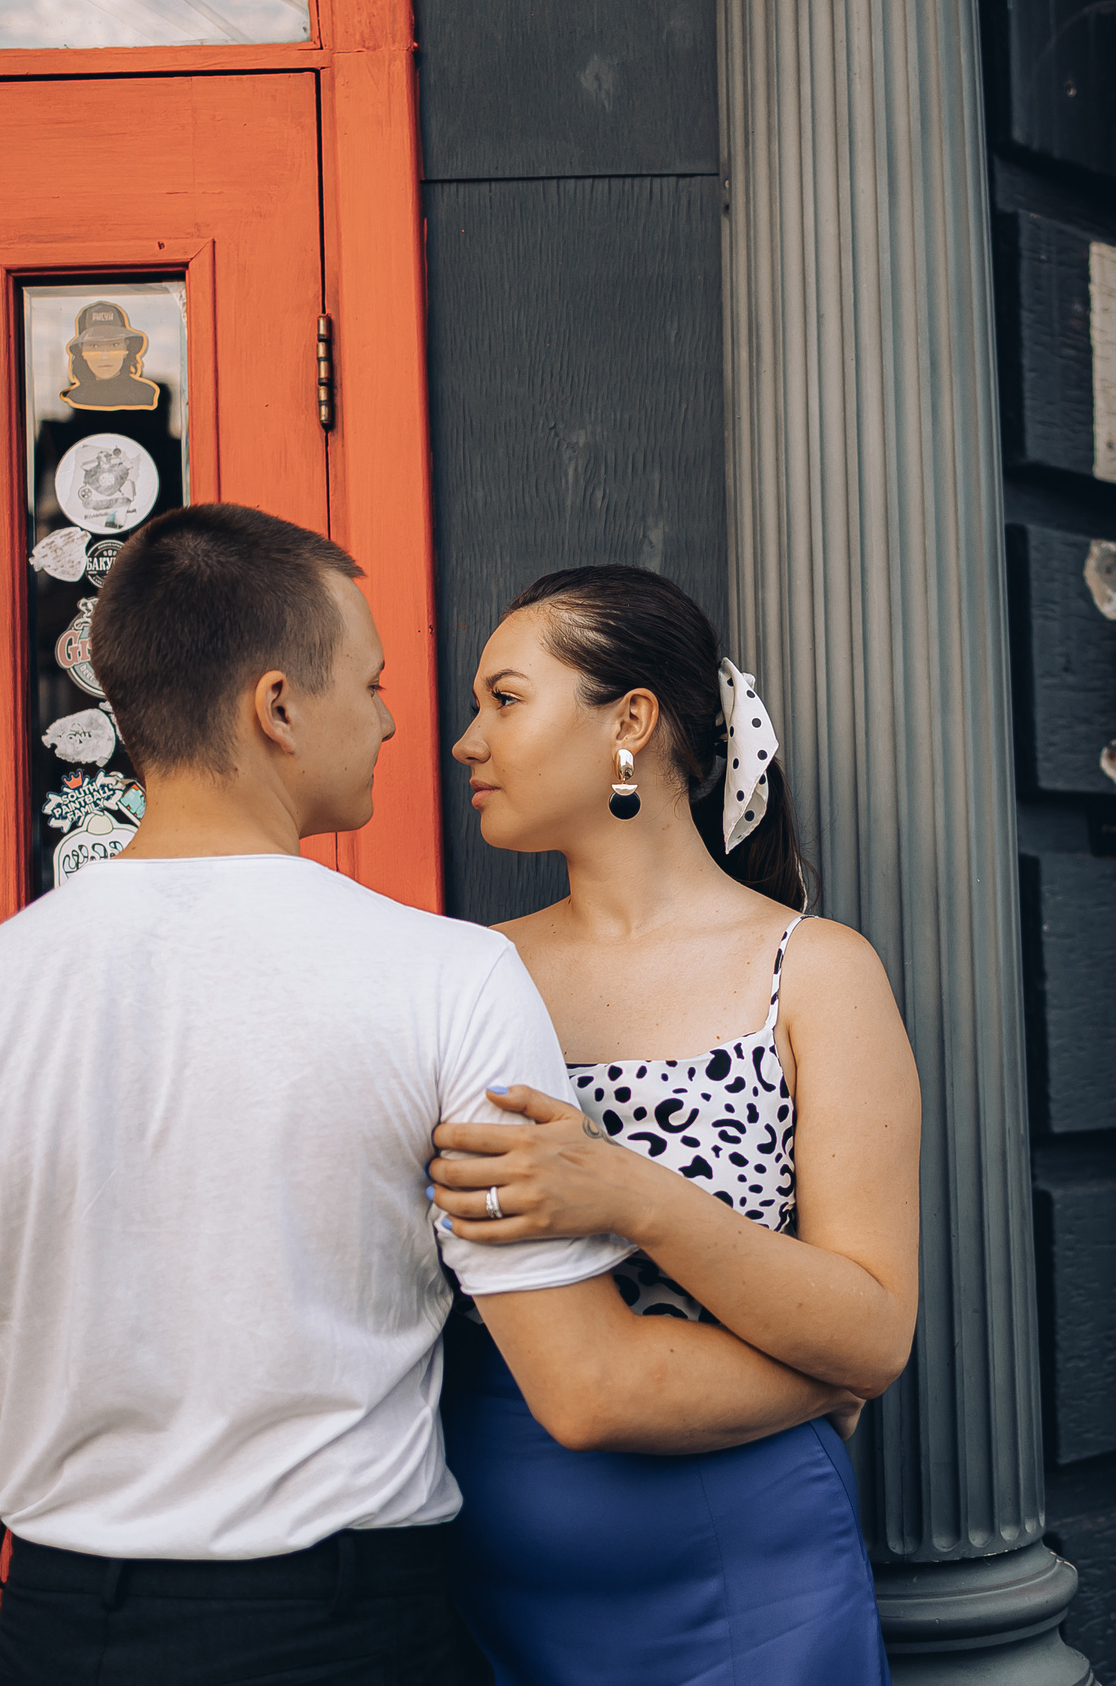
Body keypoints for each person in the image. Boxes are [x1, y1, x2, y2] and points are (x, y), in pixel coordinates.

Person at [0, 507, 858, 1686]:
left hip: (73, 1619)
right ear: (277, 707)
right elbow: (587, 1383)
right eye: (370, 683)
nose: (393, 721)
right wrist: (835, 1367)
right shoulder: (450, 976)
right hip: (352, 1627)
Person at [435, 565, 923, 1685]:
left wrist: (628, 1194)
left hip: (751, 1567)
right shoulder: (466, 975)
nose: (467, 740)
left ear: (631, 722)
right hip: (486, 1556)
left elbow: (873, 1327)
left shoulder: (810, 972)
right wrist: (821, 1377)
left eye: (503, 700)